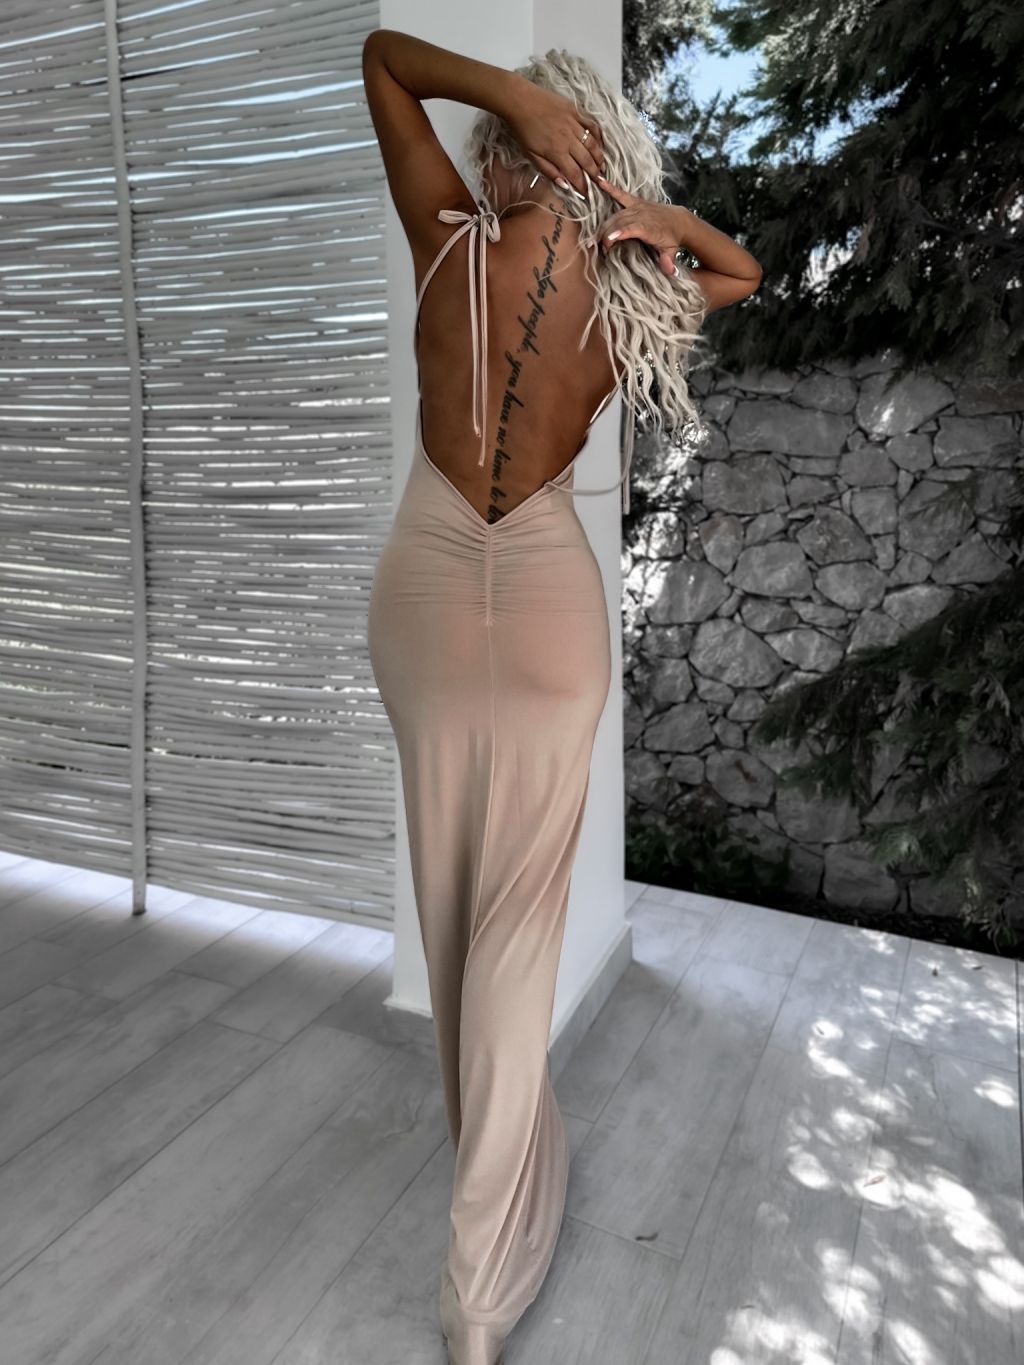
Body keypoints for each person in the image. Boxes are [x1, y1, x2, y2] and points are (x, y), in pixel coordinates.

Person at [362, 27, 761, 1365]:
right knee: (517, 933)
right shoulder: (631, 288)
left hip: (423, 597)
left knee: (449, 903)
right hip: (545, 609)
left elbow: (381, 58)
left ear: (505, 147)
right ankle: (481, 1293)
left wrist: (505, 94)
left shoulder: (443, 237)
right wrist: (658, 218)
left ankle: (489, 1164)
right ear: (591, 158)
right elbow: (742, 273)